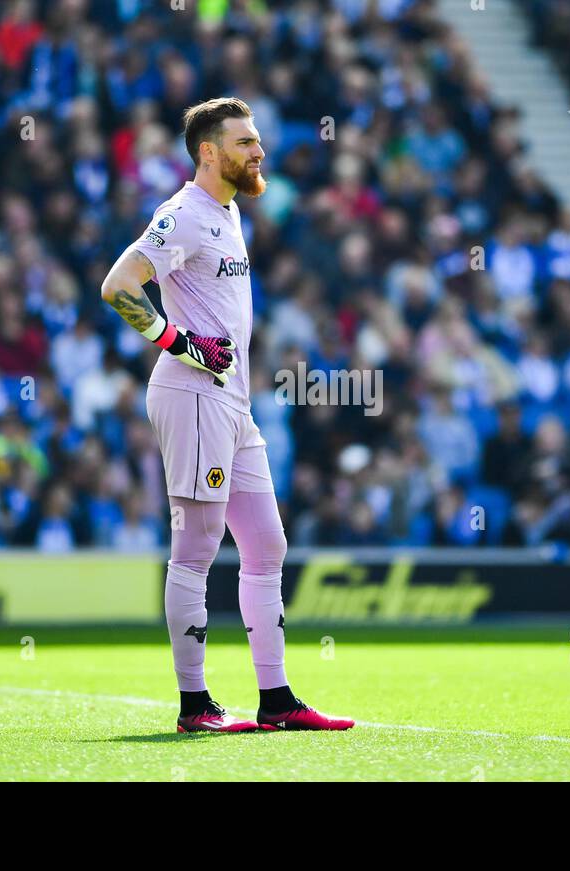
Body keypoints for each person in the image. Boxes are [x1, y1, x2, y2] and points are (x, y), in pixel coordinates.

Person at [99, 97, 353, 733]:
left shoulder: (229, 212)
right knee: (198, 546)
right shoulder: (182, 214)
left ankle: (278, 699)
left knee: (267, 545)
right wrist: (179, 342)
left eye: (257, 140)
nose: (258, 151)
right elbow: (117, 285)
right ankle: (195, 705)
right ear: (208, 152)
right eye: (244, 142)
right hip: (192, 392)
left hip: (232, 400)